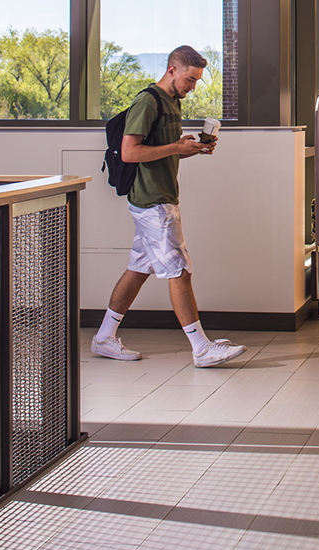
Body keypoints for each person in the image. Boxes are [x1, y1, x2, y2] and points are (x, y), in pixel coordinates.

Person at [91, 46, 248, 368]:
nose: (192, 87)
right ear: (172, 70)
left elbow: (159, 150)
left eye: (196, 81)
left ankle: (104, 337)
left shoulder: (171, 102)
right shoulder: (147, 101)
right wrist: (177, 146)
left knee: (139, 268)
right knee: (179, 269)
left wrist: (189, 148)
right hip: (153, 202)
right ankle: (201, 347)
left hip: (160, 196)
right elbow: (131, 152)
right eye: (189, 79)